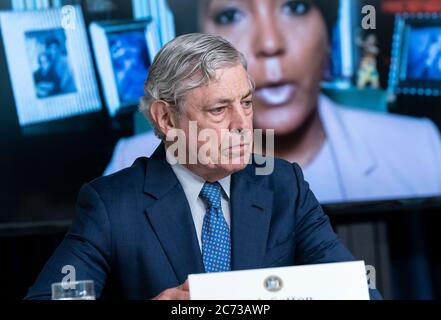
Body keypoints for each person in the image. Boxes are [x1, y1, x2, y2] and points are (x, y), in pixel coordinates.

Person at [25, 34, 381, 300]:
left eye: (246, 102)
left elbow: (358, 291)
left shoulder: (284, 184)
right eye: (219, 109)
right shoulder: (111, 204)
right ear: (166, 118)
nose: (244, 125)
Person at [104, 0, 441, 204]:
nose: (270, 42)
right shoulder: (132, 164)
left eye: (295, 6)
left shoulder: (419, 148)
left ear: (329, 30)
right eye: (231, 15)